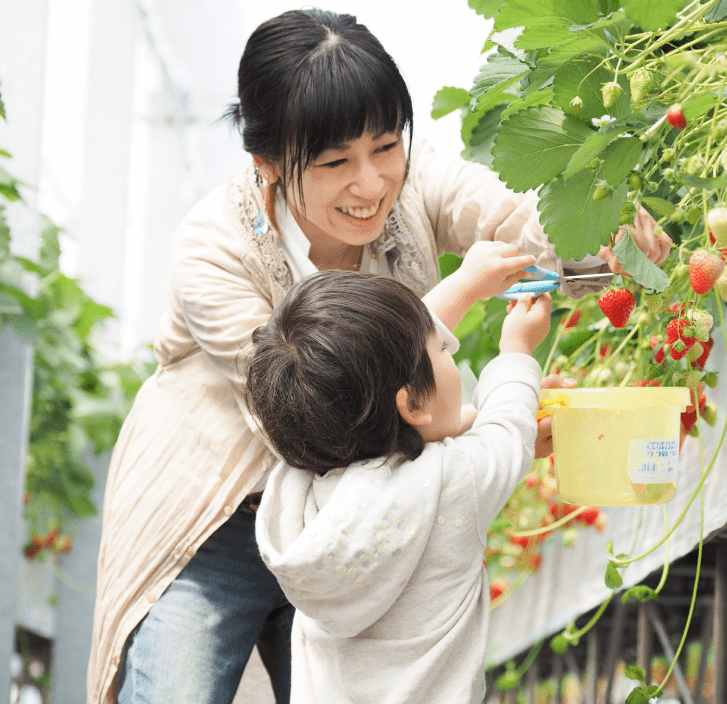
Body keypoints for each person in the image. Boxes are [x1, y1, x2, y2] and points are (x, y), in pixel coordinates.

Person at [86, 8, 671, 704]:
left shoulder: (414, 184)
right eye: (335, 162)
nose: (372, 184)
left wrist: (599, 231)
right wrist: (470, 346)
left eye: (386, 145)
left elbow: (512, 220)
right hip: (217, 521)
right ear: (267, 164)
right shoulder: (213, 250)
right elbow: (311, 402)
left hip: (358, 518)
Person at [246, 270, 550, 704]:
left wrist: (469, 418)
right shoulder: (453, 482)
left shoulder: (302, 493)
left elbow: (429, 436)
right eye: (442, 346)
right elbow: (508, 431)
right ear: (411, 403)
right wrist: (516, 350)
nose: (449, 350)